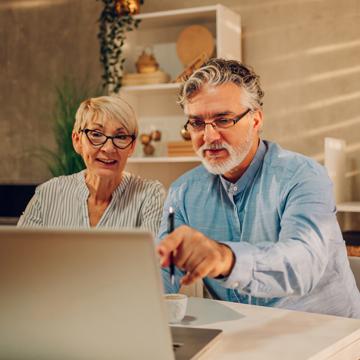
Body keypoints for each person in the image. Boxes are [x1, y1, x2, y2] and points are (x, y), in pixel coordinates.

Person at [157, 58, 360, 318]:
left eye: (223, 119)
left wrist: (226, 258)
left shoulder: (304, 176)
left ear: (256, 120)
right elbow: (165, 275)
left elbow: (303, 263)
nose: (208, 137)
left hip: (331, 335)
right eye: (196, 123)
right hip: (246, 335)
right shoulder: (183, 192)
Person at [18, 95, 165, 233]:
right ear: (77, 141)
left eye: (120, 136)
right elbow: (19, 254)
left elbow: (154, 257)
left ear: (132, 146)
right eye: (96, 134)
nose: (108, 148)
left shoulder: (150, 195)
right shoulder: (48, 194)